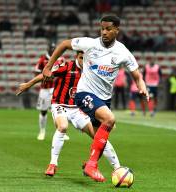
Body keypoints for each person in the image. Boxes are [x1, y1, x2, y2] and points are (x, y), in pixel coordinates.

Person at [42, 15, 149, 182]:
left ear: (116, 30)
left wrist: (142, 86)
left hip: (104, 99)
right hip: (84, 94)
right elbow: (64, 44)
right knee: (110, 119)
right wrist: (48, 67)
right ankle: (92, 165)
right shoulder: (90, 44)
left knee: (101, 134)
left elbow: (136, 74)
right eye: (102, 29)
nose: (104, 32)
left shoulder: (122, 52)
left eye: (108, 29)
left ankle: (89, 165)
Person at [16, 51, 120, 176]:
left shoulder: (92, 71)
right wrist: (28, 84)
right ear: (76, 56)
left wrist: (105, 116)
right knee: (63, 126)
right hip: (60, 104)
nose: (83, 61)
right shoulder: (66, 66)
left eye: (86, 58)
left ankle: (117, 168)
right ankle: (52, 165)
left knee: (99, 136)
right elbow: (47, 74)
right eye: (81, 58)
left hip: (78, 108)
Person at [34, 43, 69, 141]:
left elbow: (66, 71)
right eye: (52, 48)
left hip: (56, 88)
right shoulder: (43, 59)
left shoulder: (61, 59)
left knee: (58, 109)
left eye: (55, 48)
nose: (53, 50)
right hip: (44, 88)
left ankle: (61, 131)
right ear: (48, 49)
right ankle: (42, 131)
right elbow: (36, 71)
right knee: (43, 111)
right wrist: (45, 75)